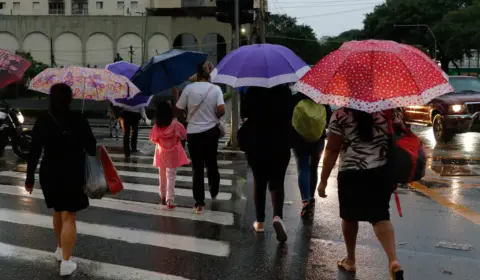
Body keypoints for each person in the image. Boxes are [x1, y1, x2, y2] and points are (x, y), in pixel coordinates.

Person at [317, 108, 404, 279]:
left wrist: (323, 180)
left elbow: (332, 150)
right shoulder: (389, 110)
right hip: (380, 172)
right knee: (380, 216)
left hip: (351, 172)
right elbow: (400, 135)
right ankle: (393, 260)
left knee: (349, 216)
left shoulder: (340, 115)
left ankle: (350, 260)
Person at [25, 83, 96, 276]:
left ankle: (59, 248)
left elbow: (34, 152)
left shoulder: (43, 120)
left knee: (58, 210)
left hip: (50, 172)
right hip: (72, 172)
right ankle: (66, 262)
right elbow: (91, 147)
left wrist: (29, 178)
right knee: (69, 216)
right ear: (69, 99)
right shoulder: (78, 118)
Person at [238, 85, 292, 243]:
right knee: (278, 181)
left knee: (259, 181)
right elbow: (290, 113)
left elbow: (244, 114)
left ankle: (260, 222)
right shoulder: (285, 91)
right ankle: (277, 216)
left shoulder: (253, 90)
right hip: (281, 141)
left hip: (257, 142)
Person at [176, 63, 225, 214]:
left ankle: (199, 203)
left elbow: (178, 109)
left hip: (194, 133)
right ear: (208, 75)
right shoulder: (216, 89)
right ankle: (214, 188)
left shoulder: (189, 89)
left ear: (197, 75)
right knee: (211, 162)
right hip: (211, 132)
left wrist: (186, 118)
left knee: (197, 167)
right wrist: (213, 116)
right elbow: (221, 110)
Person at [290, 92, 331, 218]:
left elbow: (290, 118)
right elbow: (328, 119)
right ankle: (312, 197)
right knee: (313, 168)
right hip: (317, 140)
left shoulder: (296, 98)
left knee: (303, 168)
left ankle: (305, 200)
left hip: (298, 139)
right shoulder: (322, 97)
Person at [149, 101, 189, 209]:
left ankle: (162, 195)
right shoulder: (175, 124)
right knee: (171, 175)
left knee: (162, 175)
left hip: (161, 153)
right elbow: (184, 135)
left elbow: (152, 139)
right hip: (173, 153)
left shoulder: (157, 126)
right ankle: (169, 199)